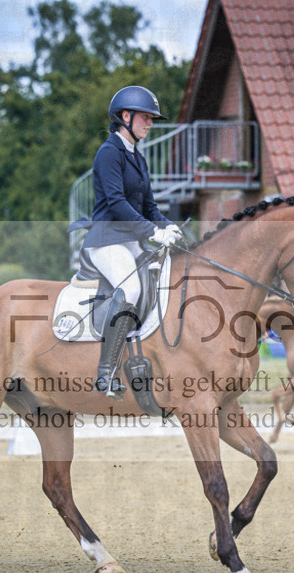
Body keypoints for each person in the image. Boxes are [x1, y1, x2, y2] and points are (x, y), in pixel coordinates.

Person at [80, 85, 182, 399]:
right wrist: (151, 232)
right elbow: (116, 202)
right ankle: (105, 373)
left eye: (152, 119)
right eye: (146, 118)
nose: (151, 124)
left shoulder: (137, 156)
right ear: (126, 116)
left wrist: (169, 227)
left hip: (131, 240)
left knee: (163, 280)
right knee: (133, 289)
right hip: (107, 240)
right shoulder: (108, 152)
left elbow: (148, 206)